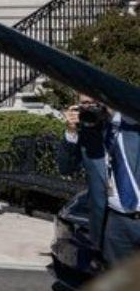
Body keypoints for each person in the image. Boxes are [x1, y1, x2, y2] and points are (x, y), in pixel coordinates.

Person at [58, 93, 140, 267]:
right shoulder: (88, 136)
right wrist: (71, 131)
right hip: (116, 223)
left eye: (94, 103)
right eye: (84, 104)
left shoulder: (133, 123)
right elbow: (65, 168)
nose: (90, 108)